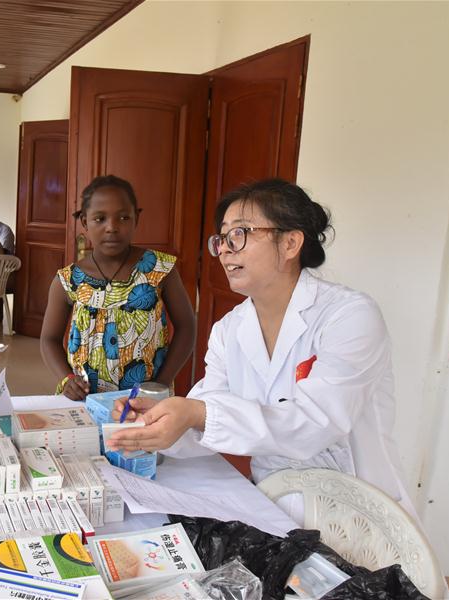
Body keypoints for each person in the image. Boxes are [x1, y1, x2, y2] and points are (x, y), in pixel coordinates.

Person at [107, 178, 412, 523]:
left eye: (240, 234)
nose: (224, 249)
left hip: (357, 512)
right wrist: (154, 421)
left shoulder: (348, 316)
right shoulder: (229, 331)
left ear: (291, 243)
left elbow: (316, 424)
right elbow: (207, 414)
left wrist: (197, 413)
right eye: (221, 238)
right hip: (273, 502)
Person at [40, 175, 196, 400]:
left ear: (136, 219)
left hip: (145, 399)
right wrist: (67, 379)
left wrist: (160, 384)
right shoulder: (67, 280)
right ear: (84, 221)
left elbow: (186, 326)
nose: (112, 227)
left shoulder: (160, 269)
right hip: (84, 399)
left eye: (123, 217)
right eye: (100, 218)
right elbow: (49, 340)